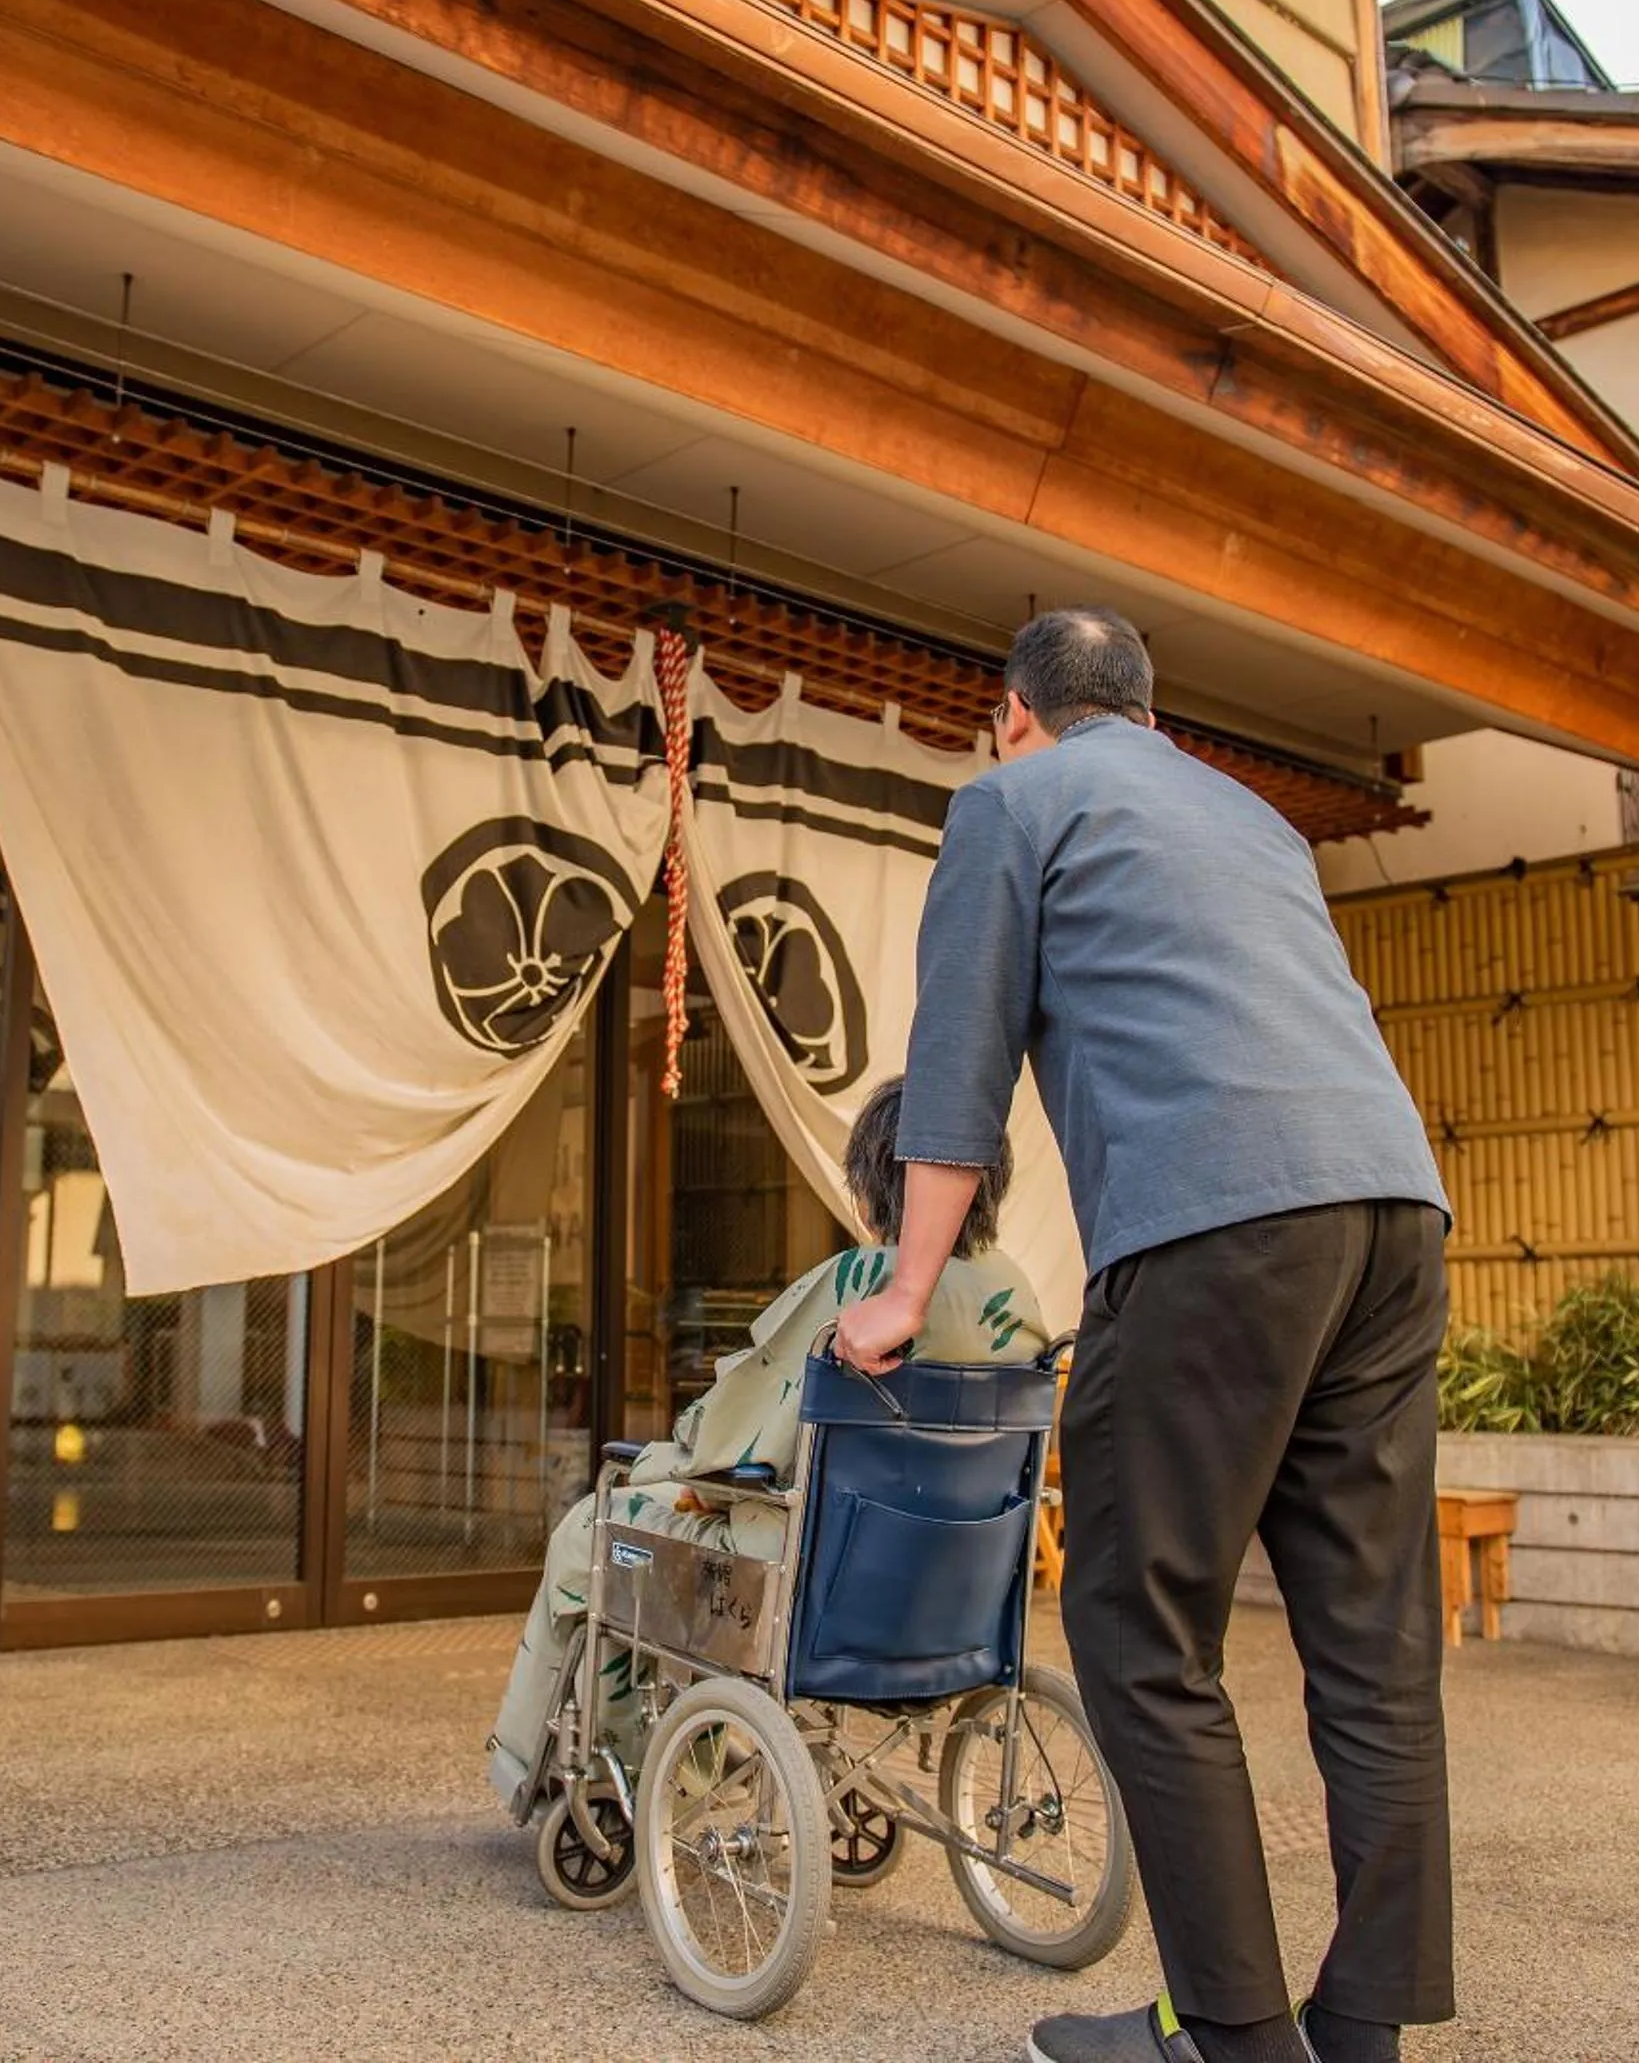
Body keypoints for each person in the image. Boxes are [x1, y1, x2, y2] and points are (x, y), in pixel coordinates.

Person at [835, 609, 1453, 2063]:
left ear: (1013, 715)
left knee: (1139, 1625)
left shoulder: (1011, 799)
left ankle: (1233, 2041)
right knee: (1372, 1651)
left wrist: (910, 1287)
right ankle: (1359, 2030)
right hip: (1394, 1217)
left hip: (1217, 1228)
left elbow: (960, 1054)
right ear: (1153, 717)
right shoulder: (1255, 821)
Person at [485, 1077, 1047, 1814]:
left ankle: (580, 1772)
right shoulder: (1021, 1297)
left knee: (596, 1531)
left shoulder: (862, 1287)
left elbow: (730, 1430)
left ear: (874, 1184)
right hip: (954, 1594)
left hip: (807, 1578)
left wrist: (663, 1462)